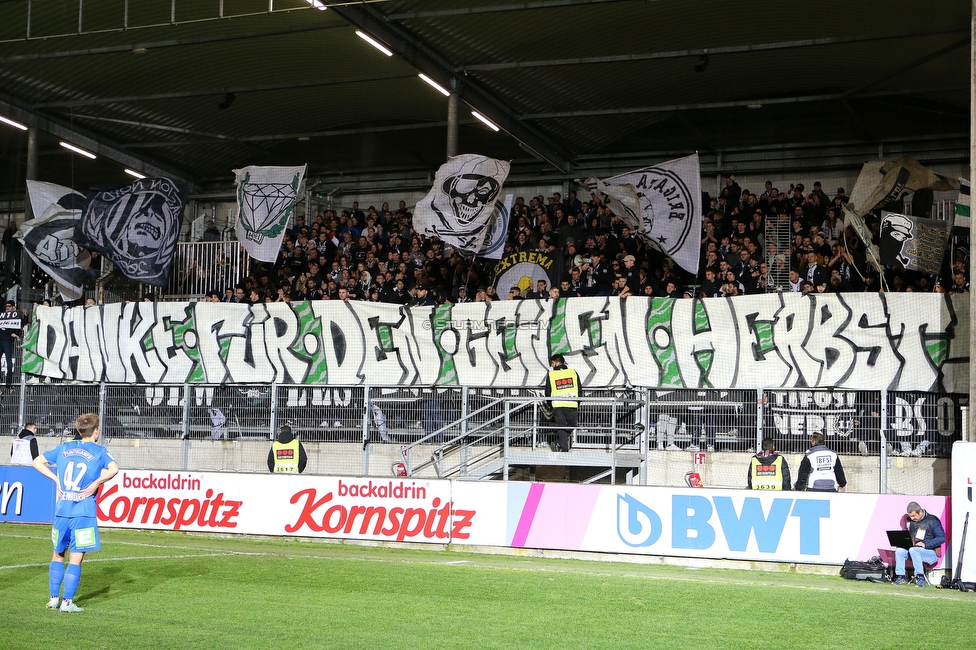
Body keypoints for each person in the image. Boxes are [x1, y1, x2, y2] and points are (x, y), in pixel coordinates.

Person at [31, 413, 119, 613]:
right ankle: (67, 603)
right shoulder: (99, 451)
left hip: (62, 510)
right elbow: (114, 469)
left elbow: (36, 462)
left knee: (57, 554)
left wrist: (56, 480)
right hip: (83, 512)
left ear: (79, 431)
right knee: (76, 558)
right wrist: (96, 482)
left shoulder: (64, 448)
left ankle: (54, 599)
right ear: (96, 431)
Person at [893, 501, 947, 587]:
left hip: (931, 553)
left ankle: (920, 577)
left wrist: (925, 545)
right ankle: (901, 576)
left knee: (914, 550)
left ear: (920, 511)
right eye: (910, 516)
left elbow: (942, 538)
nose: (912, 518)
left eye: (914, 516)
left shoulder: (933, 520)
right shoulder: (909, 521)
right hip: (913, 550)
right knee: (899, 551)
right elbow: (906, 535)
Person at [543, 353, 581, 452]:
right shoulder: (573, 372)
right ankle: (563, 448)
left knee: (562, 427)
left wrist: (550, 404)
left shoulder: (551, 374)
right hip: (571, 404)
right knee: (572, 424)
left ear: (557, 362)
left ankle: (559, 443)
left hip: (557, 405)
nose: (552, 365)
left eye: (552, 363)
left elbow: (547, 390)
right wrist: (578, 402)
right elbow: (579, 389)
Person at [0, 299, 22, 389]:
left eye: (9, 306)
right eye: (6, 307)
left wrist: (16, 335)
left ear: (13, 307)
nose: (8, 308)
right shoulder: (3, 315)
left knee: (9, 359)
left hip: (8, 340)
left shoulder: (16, 316)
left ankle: (9, 379)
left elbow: (20, 325)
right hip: (1, 339)